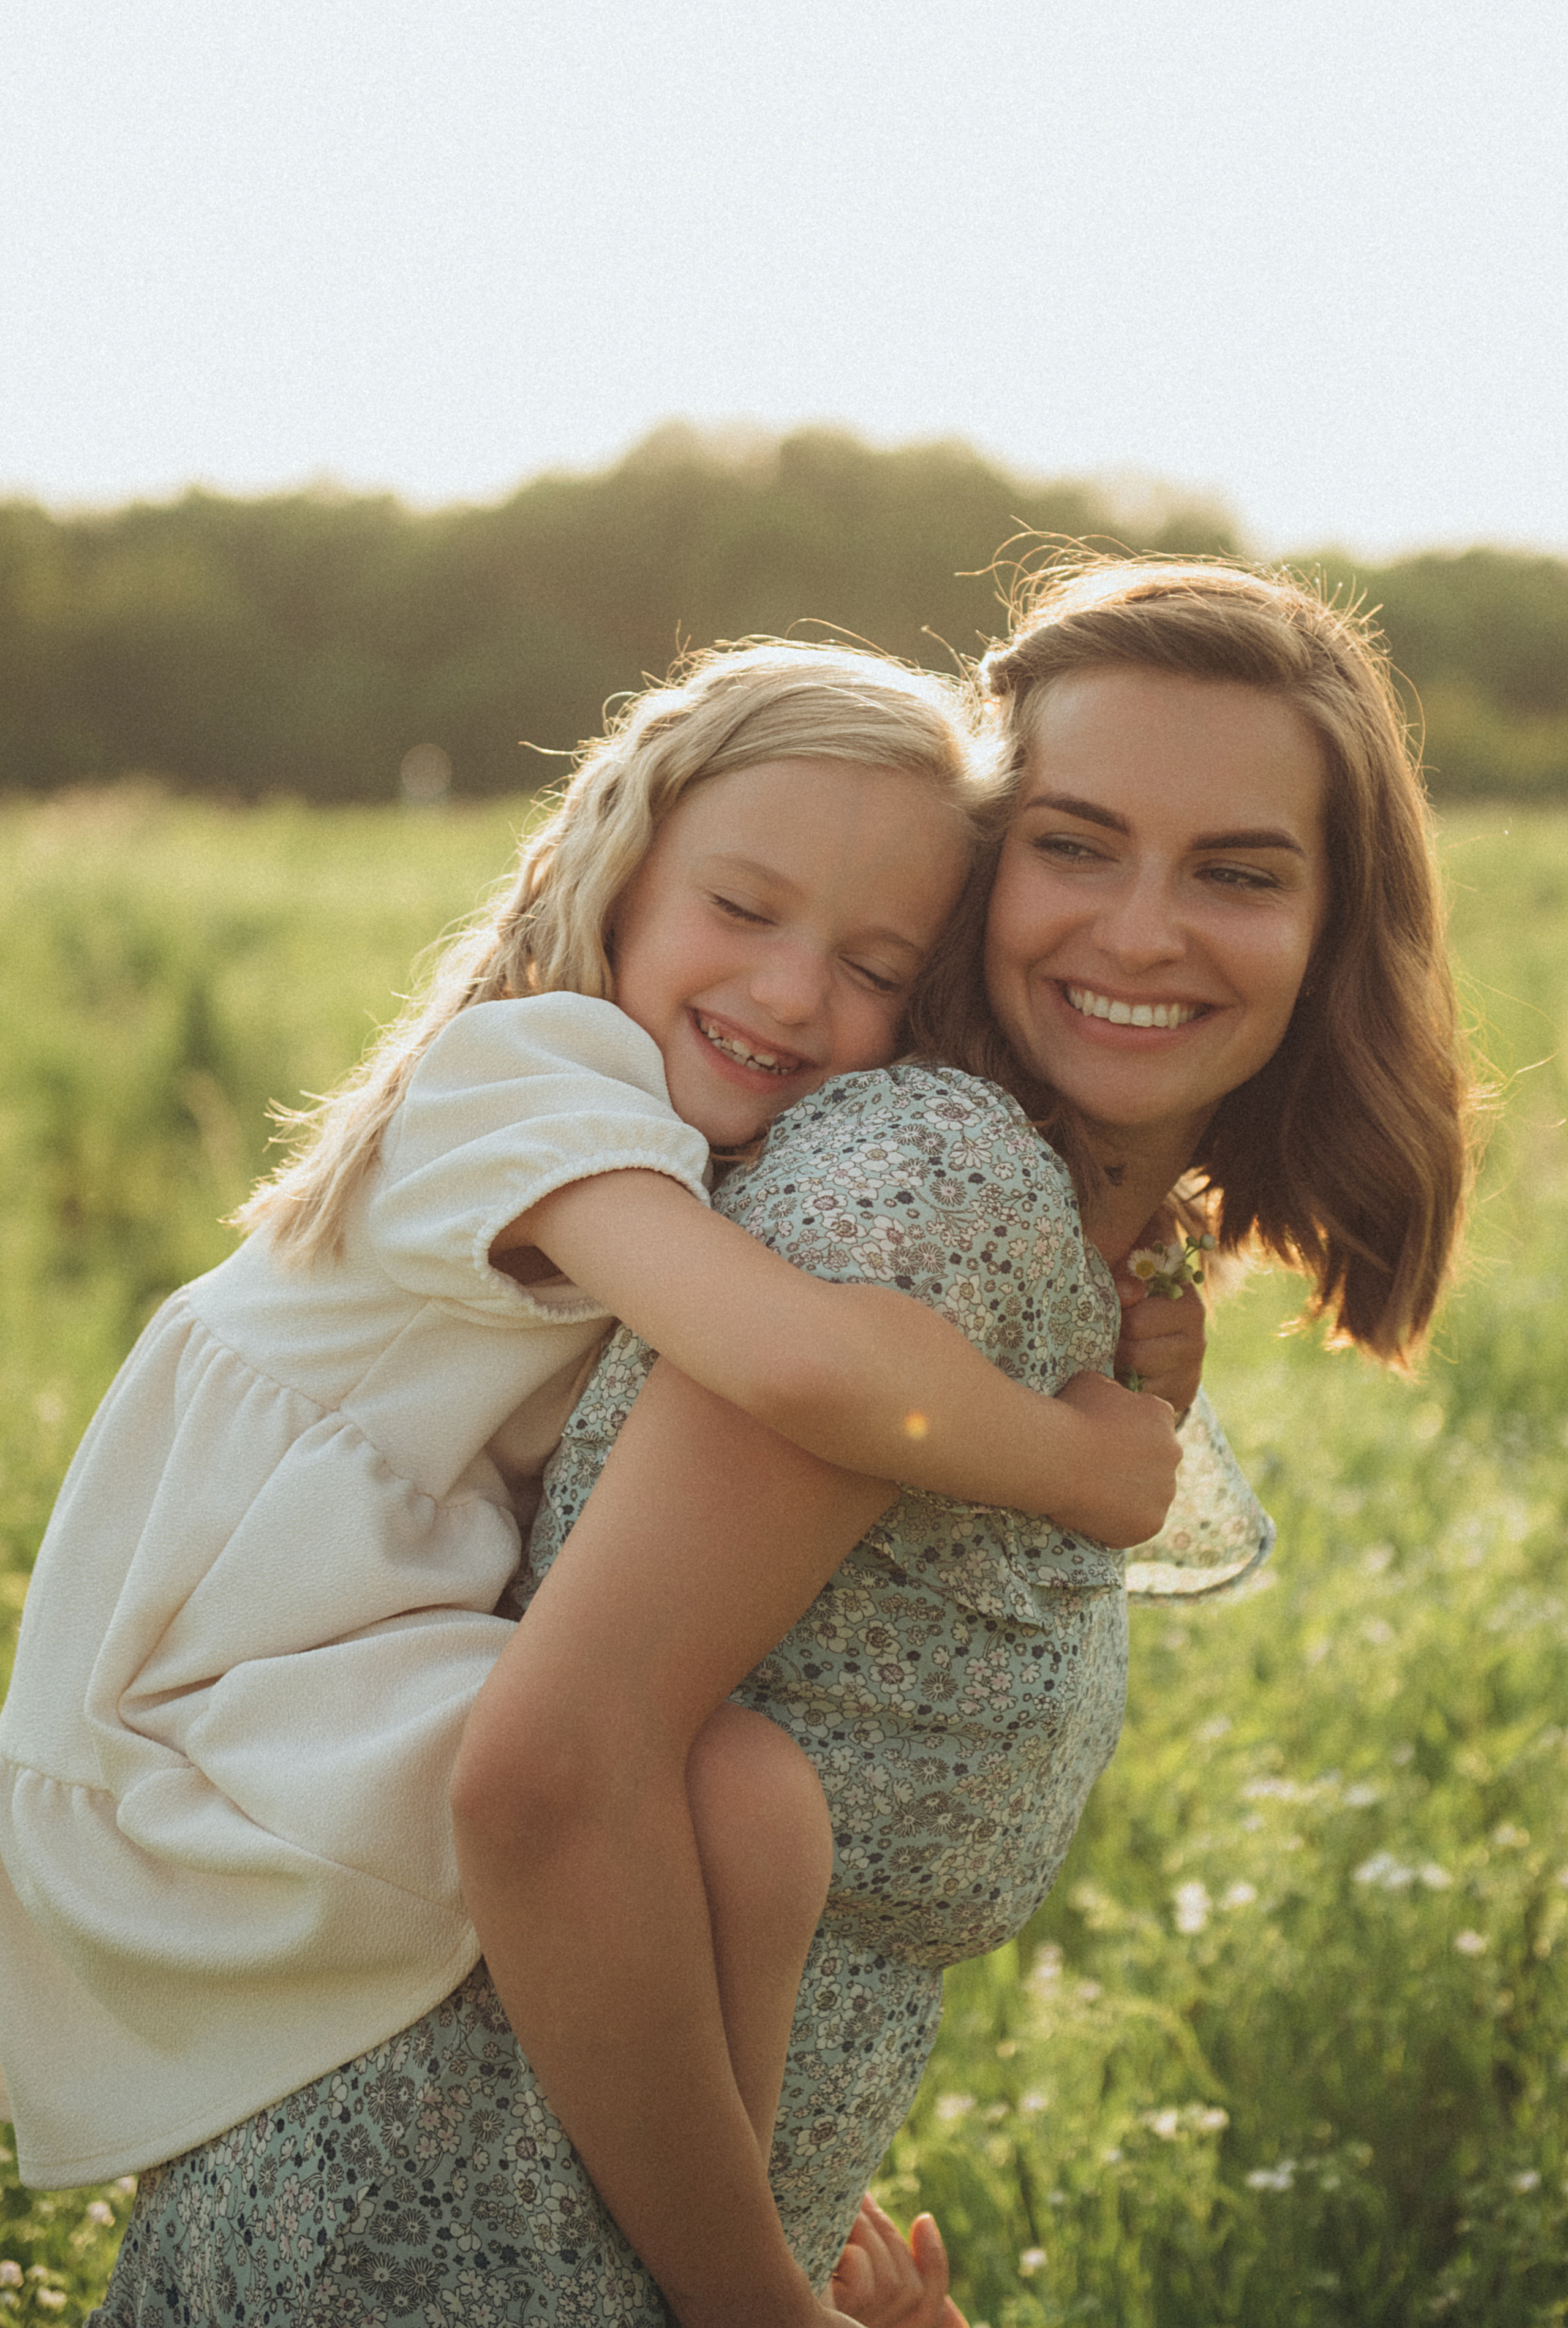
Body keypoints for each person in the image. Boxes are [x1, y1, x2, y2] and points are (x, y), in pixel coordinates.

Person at [76, 553, 1473, 2328]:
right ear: (979, 878)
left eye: (1238, 871)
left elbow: (751, 1818)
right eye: (1075, 843)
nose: (1138, 931)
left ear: (1340, 920)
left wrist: (792, 2236)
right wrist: (760, 2305)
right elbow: (551, 1776)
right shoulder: (919, 1193)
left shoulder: (1005, 1228)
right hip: (443, 2237)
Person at [0, 640, 1193, 2206]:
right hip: (205, 1711)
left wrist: (1127, 1341)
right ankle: (732, 2263)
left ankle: (746, 2225)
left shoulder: (692, 1137)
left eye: (874, 969)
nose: (790, 992)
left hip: (328, 1656)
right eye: (742, 908)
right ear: (619, 875)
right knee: (734, 1797)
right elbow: (801, 1365)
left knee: (738, 1805)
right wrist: (1084, 1463)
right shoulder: (527, 1078)